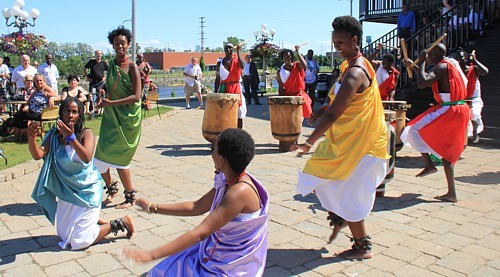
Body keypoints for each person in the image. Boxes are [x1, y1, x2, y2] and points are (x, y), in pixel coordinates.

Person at [292, 16, 389, 259]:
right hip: (349, 142)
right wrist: (322, 109)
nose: (337, 48)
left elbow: (337, 112)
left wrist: (309, 142)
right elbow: (335, 103)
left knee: (344, 190)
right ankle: (344, 220)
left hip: (362, 144)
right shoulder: (353, 65)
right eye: (334, 43)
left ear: (354, 40)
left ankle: (361, 245)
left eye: (341, 43)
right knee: (330, 184)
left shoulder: (356, 71)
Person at [123, 128, 269, 276]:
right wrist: (153, 207)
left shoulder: (239, 192)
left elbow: (201, 233)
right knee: (164, 270)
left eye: (214, 149)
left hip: (230, 266)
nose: (211, 153)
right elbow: (196, 206)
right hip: (214, 253)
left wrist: (151, 255)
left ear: (222, 159)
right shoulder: (228, 181)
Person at [28, 98, 135, 250]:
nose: (70, 115)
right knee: (64, 235)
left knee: (79, 241)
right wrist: (31, 138)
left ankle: (120, 223)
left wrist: (71, 137)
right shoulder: (54, 135)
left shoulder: (86, 134)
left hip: (88, 190)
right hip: (67, 191)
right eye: (67, 111)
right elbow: (38, 155)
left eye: (74, 112)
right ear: (61, 114)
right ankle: (92, 220)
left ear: (80, 114)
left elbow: (86, 157)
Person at [401, 43, 470, 203]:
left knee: (412, 129)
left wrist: (422, 61)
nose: (429, 59)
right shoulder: (449, 64)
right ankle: (451, 192)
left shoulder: (442, 66)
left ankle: (429, 164)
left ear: (434, 56)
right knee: (447, 152)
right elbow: (430, 79)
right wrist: (416, 67)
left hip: (449, 110)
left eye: (430, 56)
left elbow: (422, 82)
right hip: (455, 108)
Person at [94, 26, 142, 209]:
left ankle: (130, 198)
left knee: (121, 158)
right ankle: (112, 189)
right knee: (99, 158)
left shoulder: (133, 67)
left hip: (127, 118)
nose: (120, 46)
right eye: (116, 43)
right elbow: (112, 86)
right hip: (111, 116)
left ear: (128, 45)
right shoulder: (112, 65)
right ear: (112, 46)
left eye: (123, 43)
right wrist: (103, 91)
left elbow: (136, 96)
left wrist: (110, 103)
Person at [10, 74, 59, 142]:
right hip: (32, 110)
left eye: (40, 80)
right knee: (18, 114)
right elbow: (29, 101)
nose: (39, 82)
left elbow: (59, 98)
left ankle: (19, 136)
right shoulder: (37, 90)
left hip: (41, 113)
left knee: (20, 115)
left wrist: (52, 99)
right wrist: (27, 106)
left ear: (44, 81)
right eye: (37, 81)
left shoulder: (47, 89)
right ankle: (20, 135)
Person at [455, 49, 489, 143]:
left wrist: (474, 60)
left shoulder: (473, 69)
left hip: (474, 99)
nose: (458, 60)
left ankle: (475, 131)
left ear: (466, 58)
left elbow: (485, 71)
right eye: (457, 58)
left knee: (475, 113)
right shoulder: (455, 72)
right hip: (462, 99)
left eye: (461, 57)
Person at [215, 43, 247, 128]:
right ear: (224, 49)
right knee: (224, 112)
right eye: (226, 48)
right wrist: (215, 93)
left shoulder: (237, 60)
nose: (228, 50)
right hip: (224, 88)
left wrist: (238, 51)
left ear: (233, 49)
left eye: (230, 48)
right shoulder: (220, 63)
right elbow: (217, 79)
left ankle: (239, 133)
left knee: (239, 112)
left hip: (236, 88)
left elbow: (243, 66)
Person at [276, 47, 313, 119]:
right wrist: (280, 101)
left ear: (291, 57)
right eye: (285, 57)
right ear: (282, 58)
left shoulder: (297, 66)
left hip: (299, 97)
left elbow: (304, 65)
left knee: (298, 120)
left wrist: (297, 52)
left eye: (289, 56)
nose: (287, 58)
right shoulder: (280, 72)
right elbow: (281, 87)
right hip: (288, 98)